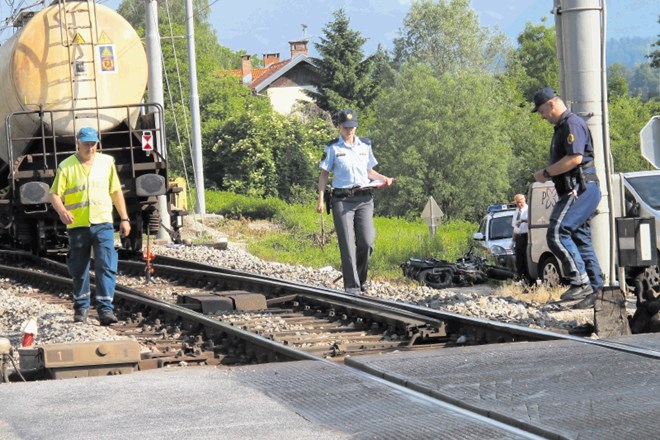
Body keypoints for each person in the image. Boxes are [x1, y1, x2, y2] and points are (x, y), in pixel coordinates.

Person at [50, 127, 131, 324]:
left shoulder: (107, 162)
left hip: (102, 222)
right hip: (77, 225)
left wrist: (124, 218)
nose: (90, 147)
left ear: (97, 142)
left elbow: (115, 191)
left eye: (93, 144)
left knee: (106, 265)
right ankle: (81, 308)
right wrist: (62, 211)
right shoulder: (66, 166)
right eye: (86, 143)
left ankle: (106, 310)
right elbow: (54, 194)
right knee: (79, 268)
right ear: (78, 142)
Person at [531, 87, 603, 309]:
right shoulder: (561, 127)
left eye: (542, 111)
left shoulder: (571, 124)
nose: (542, 117)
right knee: (580, 239)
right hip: (577, 188)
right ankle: (598, 292)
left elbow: (575, 158)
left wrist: (546, 173)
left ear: (552, 104)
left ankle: (580, 282)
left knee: (557, 231)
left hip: (580, 188)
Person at [316, 109, 393, 295]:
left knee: (366, 242)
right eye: (345, 127)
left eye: (352, 127)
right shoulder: (333, 148)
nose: (349, 130)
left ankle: (361, 278)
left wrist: (384, 178)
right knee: (348, 244)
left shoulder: (364, 145)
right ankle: (352, 286)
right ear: (339, 127)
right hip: (342, 200)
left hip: (364, 199)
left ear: (356, 126)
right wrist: (320, 200)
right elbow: (324, 175)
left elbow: (369, 171)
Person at [511, 193, 529, 283]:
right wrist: (512, 241)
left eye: (520, 202)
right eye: (517, 203)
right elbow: (515, 228)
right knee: (519, 261)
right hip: (519, 238)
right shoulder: (516, 211)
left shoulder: (528, 209)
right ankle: (521, 280)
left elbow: (532, 221)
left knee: (526, 260)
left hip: (527, 237)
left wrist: (523, 220)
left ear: (524, 200)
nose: (519, 204)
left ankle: (529, 280)